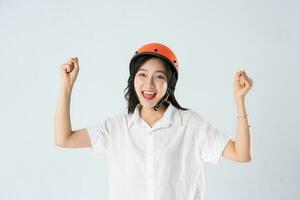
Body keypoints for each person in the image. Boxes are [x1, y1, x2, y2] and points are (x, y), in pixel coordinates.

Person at [54, 42, 253, 200]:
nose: (149, 84)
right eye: (142, 74)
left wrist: (240, 100)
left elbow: (241, 154)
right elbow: (64, 139)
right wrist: (66, 86)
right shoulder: (117, 129)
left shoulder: (190, 125)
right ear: (133, 79)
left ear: (170, 84)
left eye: (159, 77)